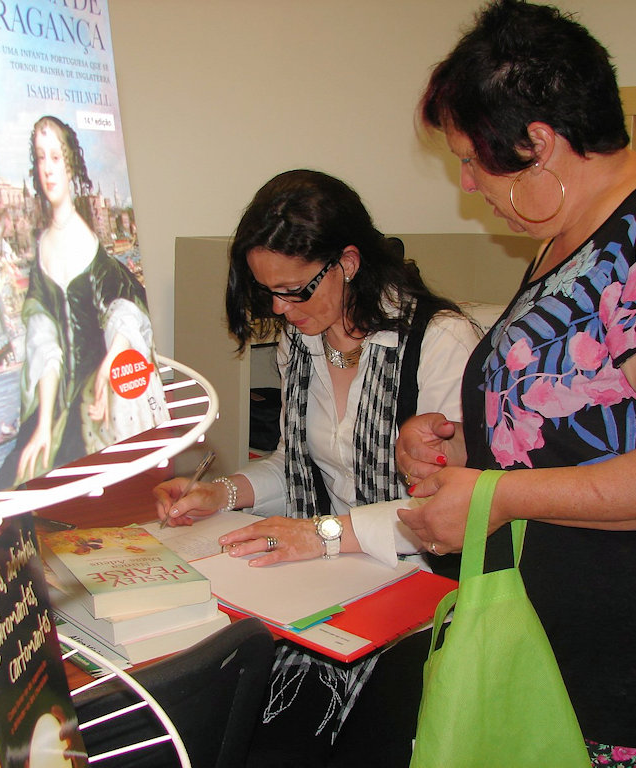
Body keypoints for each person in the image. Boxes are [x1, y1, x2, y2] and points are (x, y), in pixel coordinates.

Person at [394, 2, 636, 766]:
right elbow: (584, 418)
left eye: (472, 160)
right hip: (564, 644)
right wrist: (464, 445)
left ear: (539, 144)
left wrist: (497, 495)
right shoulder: (573, 237)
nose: (468, 184)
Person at [152, 168, 485, 767]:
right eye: (268, 292)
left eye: (294, 290)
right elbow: (296, 466)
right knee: (240, 706)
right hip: (336, 573)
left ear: (348, 262)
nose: (280, 309)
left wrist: (321, 534)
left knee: (347, 736)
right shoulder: (302, 341)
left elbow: (446, 508)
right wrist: (220, 494)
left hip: (431, 584)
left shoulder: (439, 342)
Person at [0, 116, 166, 492]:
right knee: (9, 483)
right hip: (55, 402)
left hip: (93, 393)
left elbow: (123, 308)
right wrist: (41, 425)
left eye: (55, 157)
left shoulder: (89, 243)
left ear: (70, 165)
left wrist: (109, 367)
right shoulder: (42, 245)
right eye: (40, 158)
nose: (48, 169)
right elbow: (45, 343)